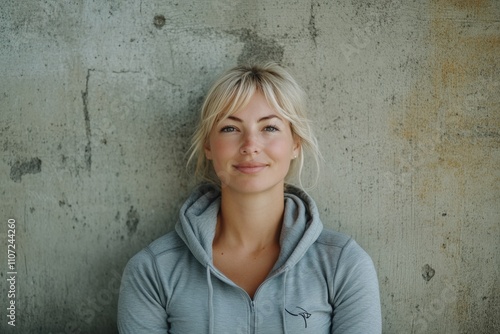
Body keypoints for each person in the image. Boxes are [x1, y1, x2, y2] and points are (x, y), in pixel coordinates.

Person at [117, 62, 381, 333]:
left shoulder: (344, 265)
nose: (250, 146)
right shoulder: (152, 270)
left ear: (295, 144)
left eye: (269, 128)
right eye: (230, 128)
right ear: (208, 145)